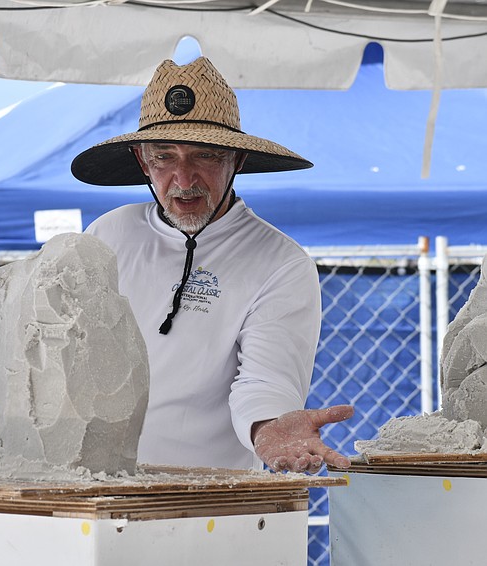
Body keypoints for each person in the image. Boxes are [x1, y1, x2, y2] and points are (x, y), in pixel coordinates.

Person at [69, 56, 354, 474]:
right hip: (96, 483)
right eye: (164, 157)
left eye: (205, 155)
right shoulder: (108, 235)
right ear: (142, 160)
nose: (184, 180)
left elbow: (265, 380)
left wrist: (269, 427)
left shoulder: (280, 262)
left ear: (237, 161)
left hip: (209, 499)